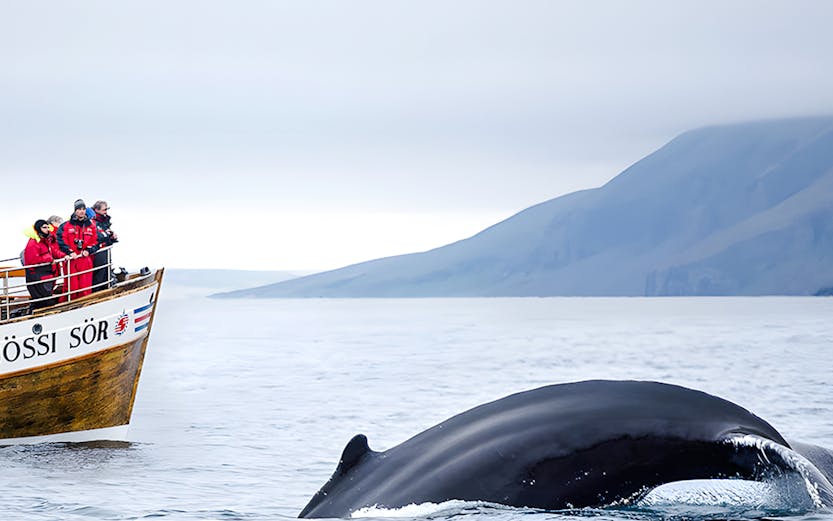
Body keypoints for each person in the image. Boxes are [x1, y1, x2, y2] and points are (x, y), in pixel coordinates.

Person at [57, 199, 100, 300]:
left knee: (85, 287)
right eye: (79, 209)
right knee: (72, 287)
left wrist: (89, 250)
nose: (81, 211)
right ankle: (69, 306)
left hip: (85, 259)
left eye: (83, 209)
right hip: (72, 260)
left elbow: (96, 241)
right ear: (75, 211)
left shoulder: (92, 226)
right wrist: (69, 252)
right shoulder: (65, 226)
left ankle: (85, 306)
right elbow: (61, 241)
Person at [23, 220, 60, 309]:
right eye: (44, 227)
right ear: (38, 229)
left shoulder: (44, 241)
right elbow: (32, 260)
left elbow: (53, 251)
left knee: (44, 300)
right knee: (43, 301)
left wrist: (65, 255)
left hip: (45, 275)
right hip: (38, 276)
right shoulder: (33, 243)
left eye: (47, 227)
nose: (47, 229)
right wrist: (49, 259)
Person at [91, 200, 118, 292]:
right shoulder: (93, 221)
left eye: (107, 209)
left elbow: (104, 234)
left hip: (105, 251)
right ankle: (96, 293)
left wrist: (112, 237)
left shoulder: (104, 221)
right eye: (104, 210)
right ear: (96, 210)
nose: (106, 212)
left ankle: (106, 288)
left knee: (106, 272)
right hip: (98, 252)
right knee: (99, 274)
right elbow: (97, 236)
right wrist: (106, 235)